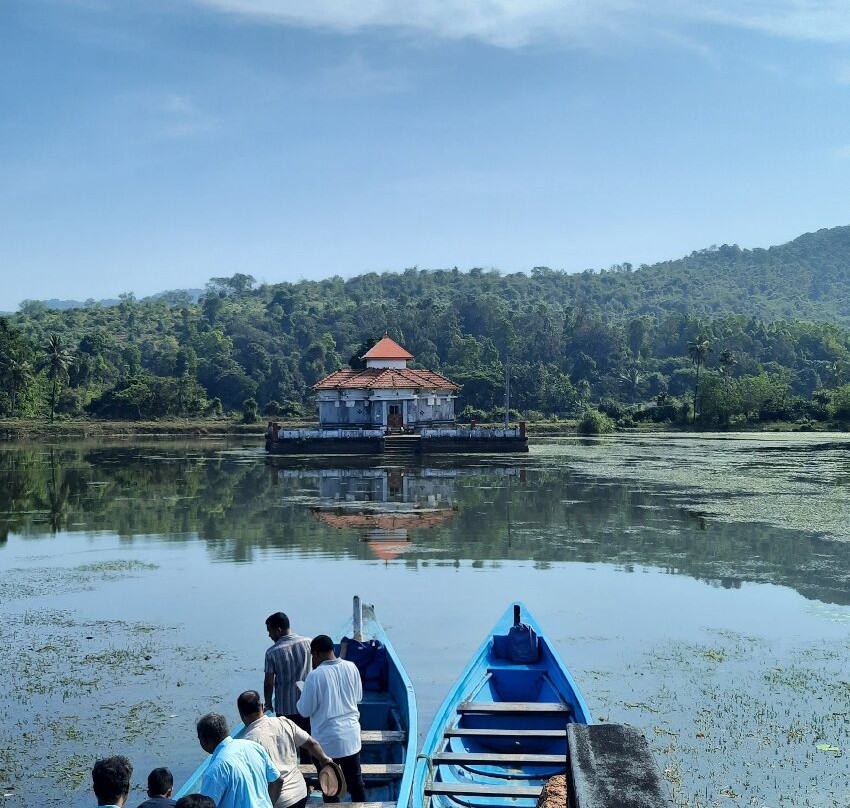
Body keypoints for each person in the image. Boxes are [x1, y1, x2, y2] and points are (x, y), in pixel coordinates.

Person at [296, 635, 365, 803]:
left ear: (316, 654)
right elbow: (358, 697)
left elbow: (304, 711)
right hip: (351, 738)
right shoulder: (352, 667)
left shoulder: (314, 676)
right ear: (333, 650)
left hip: (326, 743)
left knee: (329, 787)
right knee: (356, 784)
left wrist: (302, 694)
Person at [238, 690, 333, 808]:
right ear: (262, 707)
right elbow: (312, 744)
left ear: (241, 714)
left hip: (279, 801)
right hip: (300, 792)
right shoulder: (283, 722)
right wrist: (325, 759)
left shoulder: (247, 742)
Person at [195, 712, 284, 808]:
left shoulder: (215, 770)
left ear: (205, 740)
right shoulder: (253, 746)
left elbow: (205, 806)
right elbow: (278, 781)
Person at [264, 612, 312, 731]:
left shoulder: (272, 653)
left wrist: (268, 703)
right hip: (307, 704)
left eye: (270, 631)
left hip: (285, 709)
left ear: (278, 630)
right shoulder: (308, 642)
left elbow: (269, 683)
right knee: (307, 738)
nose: (269, 635)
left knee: (288, 740)